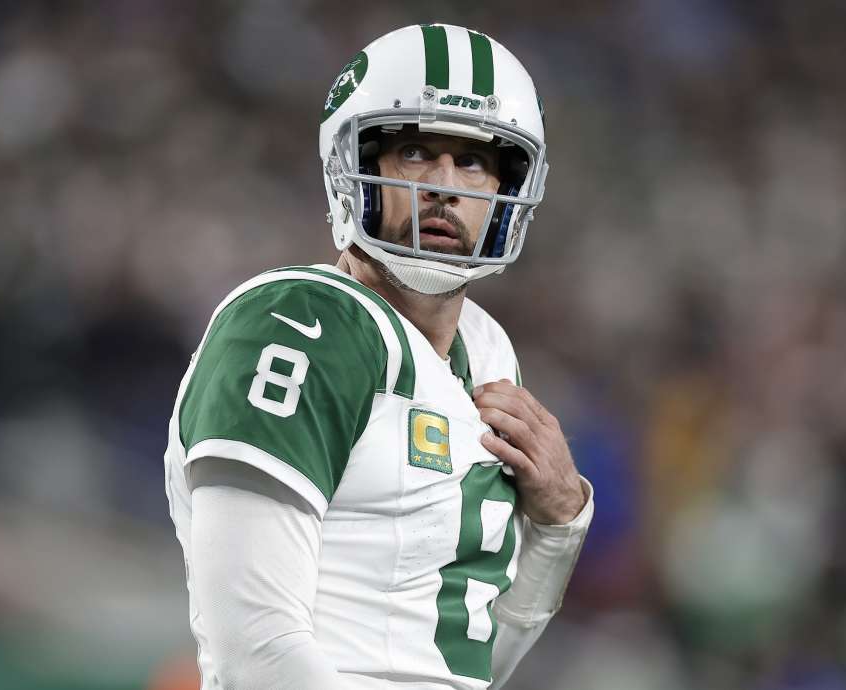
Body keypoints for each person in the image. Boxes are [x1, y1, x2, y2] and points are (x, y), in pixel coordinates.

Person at [164, 23, 593, 690]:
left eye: (476, 161)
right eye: (417, 151)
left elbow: (465, 658)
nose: (449, 187)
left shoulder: (487, 352)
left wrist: (558, 525)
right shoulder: (300, 323)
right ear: (355, 165)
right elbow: (254, 654)